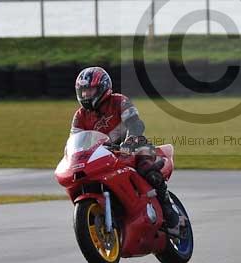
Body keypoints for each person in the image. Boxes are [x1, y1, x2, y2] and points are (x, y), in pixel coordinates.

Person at [70, 66, 180, 232]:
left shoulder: (119, 101)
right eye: (83, 91)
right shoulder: (80, 115)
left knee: (147, 169)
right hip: (103, 154)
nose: (86, 95)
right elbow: (75, 140)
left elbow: (135, 124)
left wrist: (129, 142)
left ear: (103, 88)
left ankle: (167, 207)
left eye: (90, 90)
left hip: (133, 144)